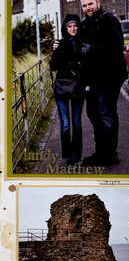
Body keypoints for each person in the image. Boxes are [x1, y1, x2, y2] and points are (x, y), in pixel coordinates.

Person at [79, 0, 128, 166]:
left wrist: (90, 49)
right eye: (84, 6)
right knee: (93, 114)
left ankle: (109, 155)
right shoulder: (85, 24)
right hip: (93, 79)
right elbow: (78, 46)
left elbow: (115, 47)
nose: (88, 8)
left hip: (110, 76)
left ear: (98, 2)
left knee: (107, 114)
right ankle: (101, 152)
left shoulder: (109, 20)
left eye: (90, 4)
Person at [50, 14, 85, 165]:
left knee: (77, 122)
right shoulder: (60, 43)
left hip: (78, 88)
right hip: (62, 87)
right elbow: (53, 67)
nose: (73, 29)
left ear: (79, 27)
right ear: (65, 28)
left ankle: (78, 155)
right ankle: (68, 157)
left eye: (75, 26)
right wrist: (56, 50)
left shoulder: (83, 43)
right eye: (70, 26)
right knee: (65, 123)